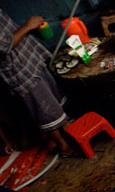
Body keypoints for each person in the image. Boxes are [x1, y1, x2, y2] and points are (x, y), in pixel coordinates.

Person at [0, 9, 74, 157]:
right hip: (19, 70)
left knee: (53, 102)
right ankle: (64, 147)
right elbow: (4, 46)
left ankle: (71, 134)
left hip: (28, 58)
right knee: (44, 110)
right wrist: (28, 26)